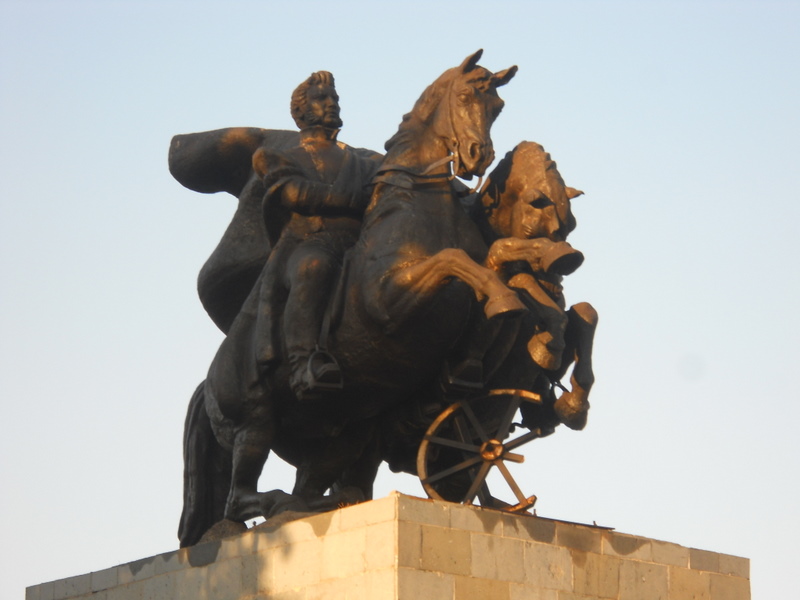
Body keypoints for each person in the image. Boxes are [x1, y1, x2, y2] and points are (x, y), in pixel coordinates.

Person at [251, 71, 380, 401]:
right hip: (310, 242)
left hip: (360, 244)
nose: (331, 104)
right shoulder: (276, 156)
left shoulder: (363, 162)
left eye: (334, 99)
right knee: (314, 267)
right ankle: (303, 362)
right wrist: (354, 200)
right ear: (300, 112)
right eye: (322, 99)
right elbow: (295, 193)